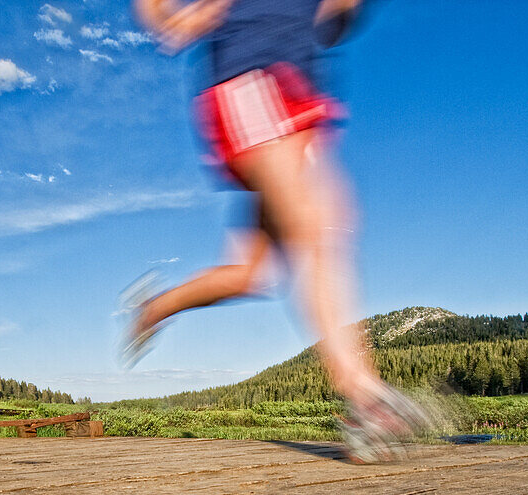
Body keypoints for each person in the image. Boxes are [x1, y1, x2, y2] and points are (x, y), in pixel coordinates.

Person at [124, 0, 432, 463]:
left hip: (294, 93)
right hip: (252, 77)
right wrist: (164, 15)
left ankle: (155, 307)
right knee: (319, 221)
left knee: (252, 273)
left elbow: (338, 16)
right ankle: (364, 397)